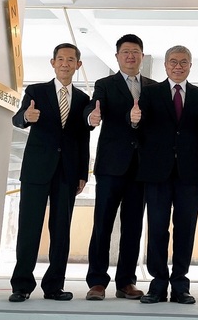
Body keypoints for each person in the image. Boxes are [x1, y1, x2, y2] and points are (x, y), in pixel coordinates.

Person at [8, 43, 91, 303]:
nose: (65, 63)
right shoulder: (36, 91)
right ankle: (21, 285)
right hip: (36, 170)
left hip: (67, 172)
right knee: (29, 227)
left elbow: (82, 139)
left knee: (61, 230)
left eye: (71, 59)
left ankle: (54, 285)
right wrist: (26, 117)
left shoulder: (82, 100)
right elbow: (18, 118)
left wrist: (82, 174)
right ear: (53, 62)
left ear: (78, 65)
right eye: (61, 59)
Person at [130, 45, 198, 304]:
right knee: (157, 228)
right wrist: (133, 120)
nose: (178, 66)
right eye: (173, 62)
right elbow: (139, 128)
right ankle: (158, 283)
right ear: (165, 66)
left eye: (184, 62)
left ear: (190, 66)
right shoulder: (150, 93)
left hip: (190, 174)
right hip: (157, 173)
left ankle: (180, 284)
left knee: (185, 229)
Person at [84, 34, 156, 301]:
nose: (130, 56)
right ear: (117, 56)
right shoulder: (105, 84)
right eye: (125, 52)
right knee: (102, 224)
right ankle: (97, 282)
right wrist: (91, 117)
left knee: (133, 226)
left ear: (142, 56)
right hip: (111, 166)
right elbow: (94, 108)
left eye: (135, 51)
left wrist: (139, 120)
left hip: (141, 169)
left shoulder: (152, 87)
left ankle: (126, 281)